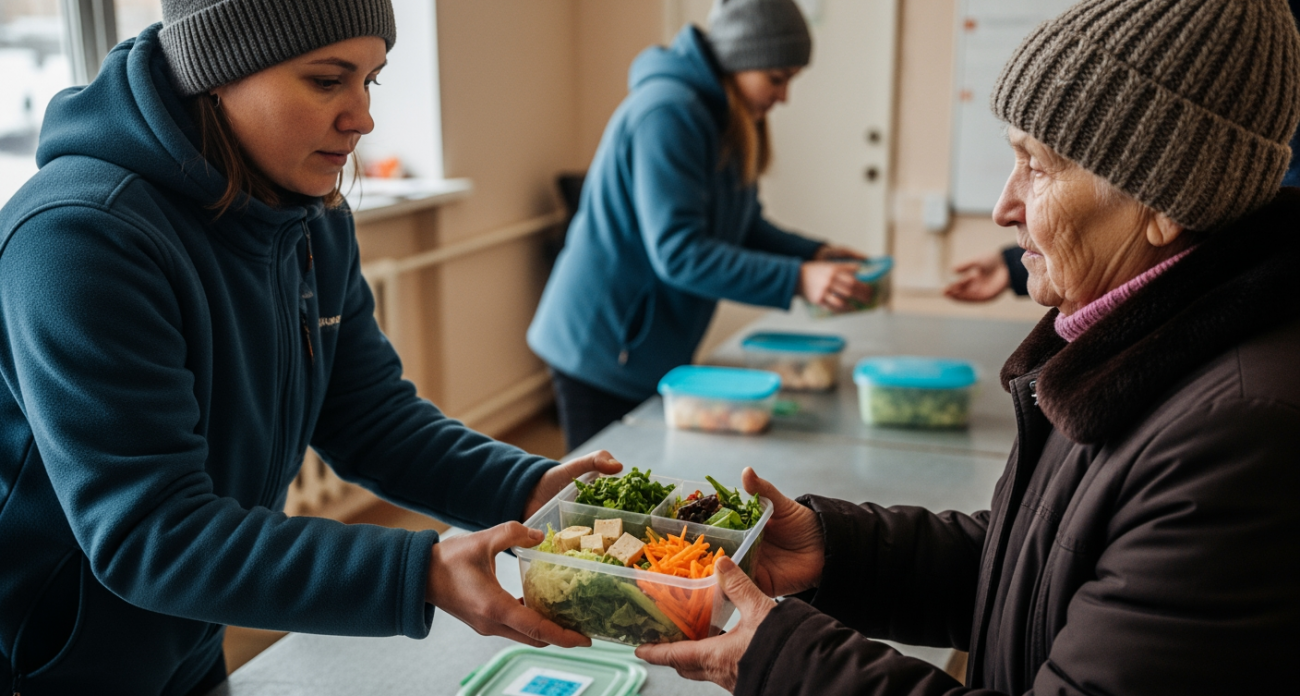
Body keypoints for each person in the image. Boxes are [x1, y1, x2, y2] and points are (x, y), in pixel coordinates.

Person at [636, 0, 1300, 693]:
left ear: (1166, 199)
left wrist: (779, 659)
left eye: (1036, 166)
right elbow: (1038, 562)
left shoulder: (1239, 440)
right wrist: (833, 554)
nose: (1002, 207)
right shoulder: (1133, 341)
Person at [0, 2, 623, 694]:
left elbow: (368, 416)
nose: (362, 116)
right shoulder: (79, 237)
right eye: (328, 80)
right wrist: (422, 574)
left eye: (371, 81)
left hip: (192, 629)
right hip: (50, 661)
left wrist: (531, 488)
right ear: (217, 71)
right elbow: (153, 533)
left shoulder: (310, 213)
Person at [527, 0, 872, 451]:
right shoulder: (670, 114)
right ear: (737, 61)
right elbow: (680, 253)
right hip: (602, 344)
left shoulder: (724, 116)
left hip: (647, 345)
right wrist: (799, 279)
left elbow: (742, 225)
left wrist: (812, 254)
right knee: (606, 498)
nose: (783, 96)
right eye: (776, 78)